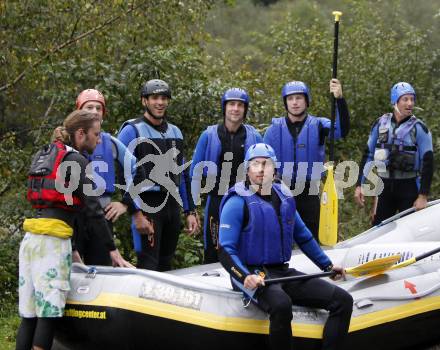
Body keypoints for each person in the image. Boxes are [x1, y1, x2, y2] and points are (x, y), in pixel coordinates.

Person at [17, 110, 134, 350]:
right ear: (81, 134)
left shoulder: (45, 154)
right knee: (48, 315)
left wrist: (72, 248)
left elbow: (59, 207)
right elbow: (92, 210)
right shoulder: (78, 161)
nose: (99, 140)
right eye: (96, 134)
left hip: (31, 240)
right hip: (51, 245)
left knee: (29, 316)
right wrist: (113, 251)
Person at [218, 143, 353, 350]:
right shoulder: (237, 202)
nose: (262, 169)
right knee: (281, 305)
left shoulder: (284, 197)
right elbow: (226, 250)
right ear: (247, 169)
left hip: (282, 272)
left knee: (343, 300)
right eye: (256, 164)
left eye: (267, 164)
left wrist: (326, 266)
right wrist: (245, 276)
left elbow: (304, 237)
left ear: (275, 168)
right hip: (253, 273)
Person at [118, 79, 199, 271]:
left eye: (164, 98)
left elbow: (183, 174)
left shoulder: (175, 132)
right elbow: (122, 176)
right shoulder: (132, 130)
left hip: (171, 205)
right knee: (148, 264)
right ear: (144, 101)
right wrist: (135, 212)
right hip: (147, 204)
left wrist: (189, 211)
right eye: (154, 98)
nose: (160, 102)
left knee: (166, 265)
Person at [263, 79, 350, 241]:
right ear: (285, 102)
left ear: (306, 100)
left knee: (315, 241)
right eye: (290, 98)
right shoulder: (273, 130)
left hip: (309, 192)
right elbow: (262, 162)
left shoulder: (319, 125)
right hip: (281, 192)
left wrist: (339, 99)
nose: (295, 102)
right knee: (279, 240)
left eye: (299, 98)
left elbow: (342, 130)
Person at [75, 89, 152, 266]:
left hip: (102, 216)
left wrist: (125, 203)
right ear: (79, 111)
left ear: (103, 114)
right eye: (89, 107)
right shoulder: (71, 141)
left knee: (102, 272)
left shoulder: (110, 142)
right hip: (76, 217)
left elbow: (139, 171)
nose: (94, 111)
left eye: (98, 108)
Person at [190, 88, 262, 264]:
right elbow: (194, 174)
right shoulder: (208, 135)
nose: (235, 109)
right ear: (225, 107)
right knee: (214, 251)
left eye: (240, 105)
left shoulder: (254, 136)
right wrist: (192, 210)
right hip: (216, 200)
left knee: (244, 249)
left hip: (245, 201)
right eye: (231, 104)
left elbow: (265, 173)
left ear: (245, 109)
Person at [354, 82, 434, 225]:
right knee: (378, 229)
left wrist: (423, 196)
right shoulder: (380, 124)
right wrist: (359, 185)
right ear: (395, 101)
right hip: (384, 187)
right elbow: (368, 155)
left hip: (409, 187)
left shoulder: (419, 128)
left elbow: (428, 163)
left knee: (410, 230)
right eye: (405, 99)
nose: (410, 103)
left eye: (412, 99)